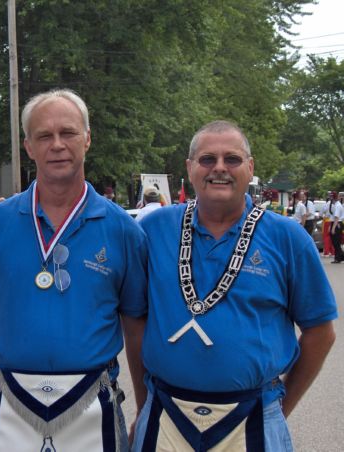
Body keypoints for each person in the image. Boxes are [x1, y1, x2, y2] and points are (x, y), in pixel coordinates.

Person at [0, 89, 147, 451]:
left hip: (93, 405)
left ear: (87, 139)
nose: (57, 145)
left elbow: (136, 329)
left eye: (68, 133)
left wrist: (145, 408)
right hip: (10, 406)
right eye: (44, 135)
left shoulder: (123, 230)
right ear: (28, 146)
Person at [132, 120, 337, 451]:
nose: (219, 169)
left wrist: (280, 408)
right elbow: (135, 322)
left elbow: (321, 332)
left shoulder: (287, 237)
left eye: (232, 159)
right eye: (207, 159)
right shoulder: (153, 229)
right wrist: (142, 407)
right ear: (190, 167)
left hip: (255, 416)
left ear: (250, 167)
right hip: (164, 415)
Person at [326, 191, 344, 263]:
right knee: (335, 242)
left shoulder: (337, 205)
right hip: (334, 223)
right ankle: (339, 257)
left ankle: (338, 257)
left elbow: (336, 218)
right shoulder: (334, 205)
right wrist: (330, 226)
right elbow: (333, 217)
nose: (330, 198)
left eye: (331, 196)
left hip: (337, 224)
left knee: (336, 242)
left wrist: (333, 228)